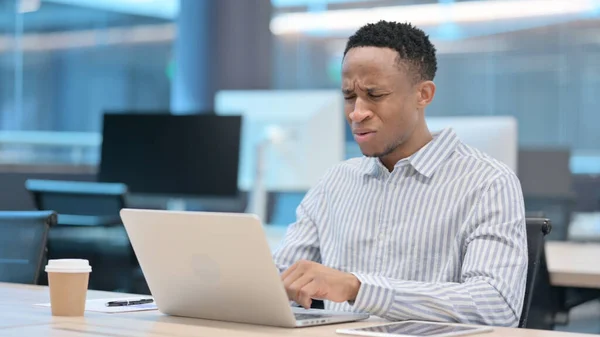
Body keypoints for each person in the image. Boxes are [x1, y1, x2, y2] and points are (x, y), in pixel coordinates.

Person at [273, 21, 527, 327]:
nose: (357, 112)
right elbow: (279, 277)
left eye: (375, 95)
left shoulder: (488, 183)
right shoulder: (335, 182)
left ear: (423, 94)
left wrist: (359, 288)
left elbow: (496, 306)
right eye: (349, 96)